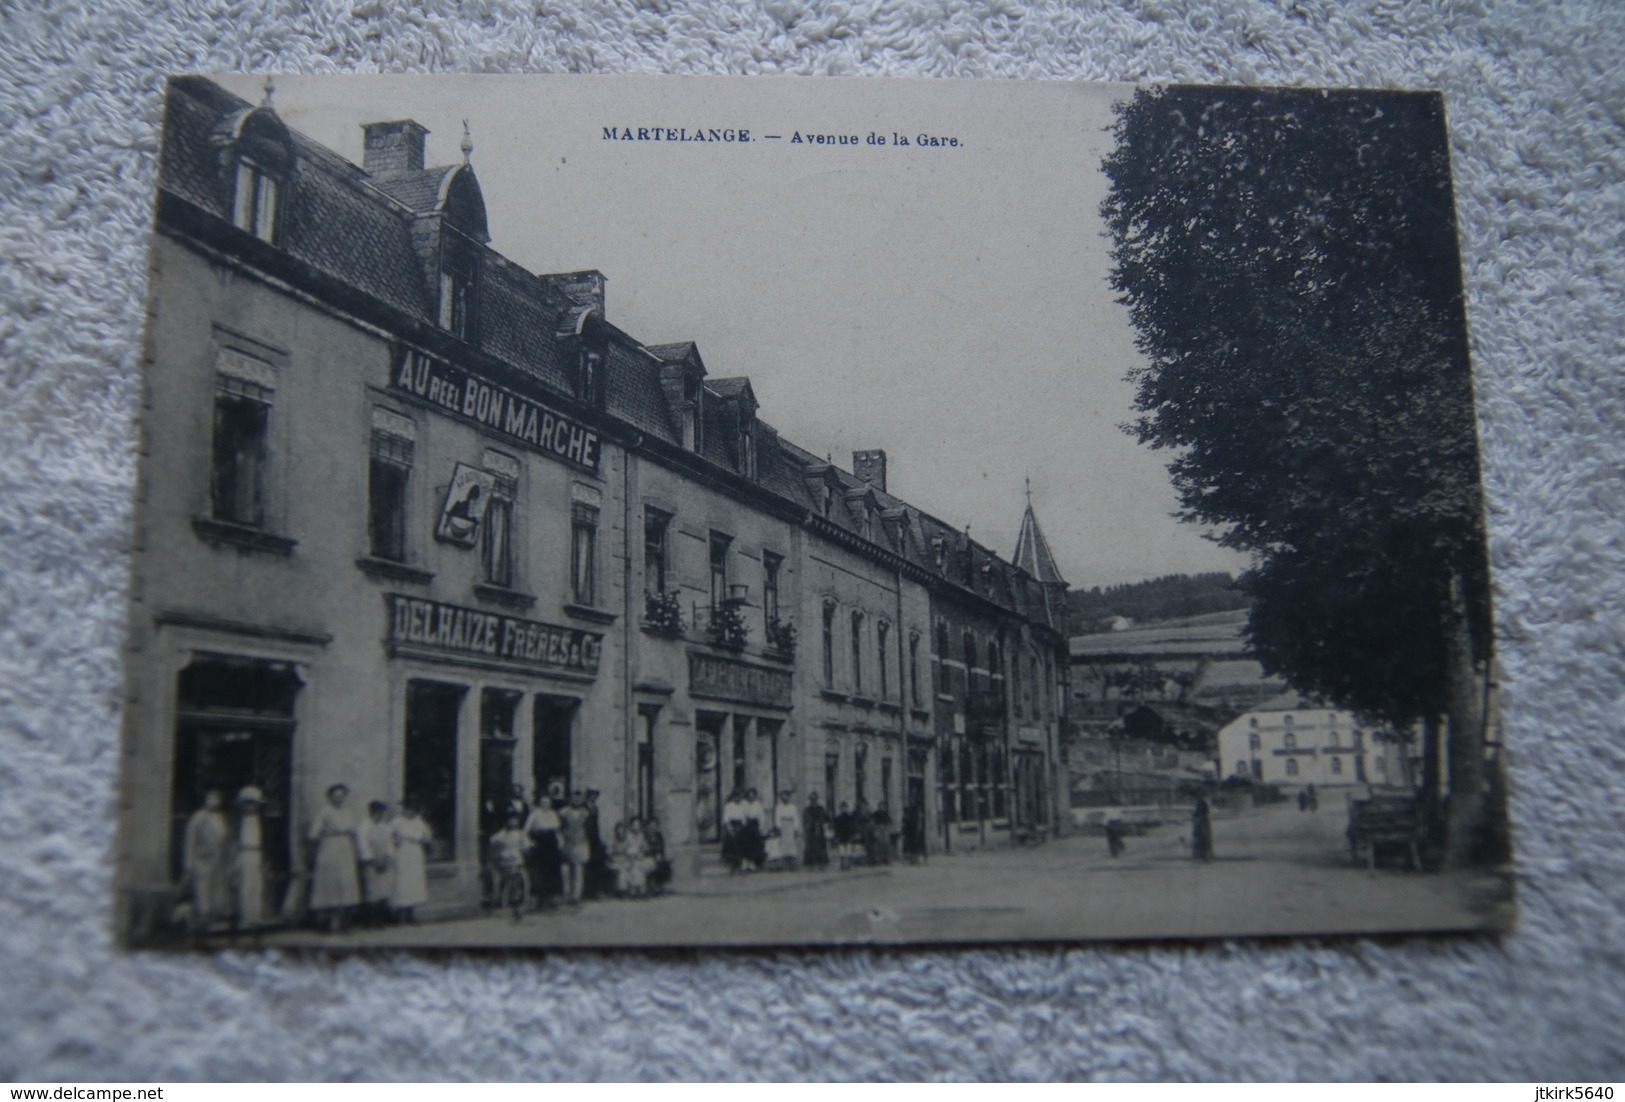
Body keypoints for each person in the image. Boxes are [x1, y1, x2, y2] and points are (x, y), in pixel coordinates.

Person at [308, 782, 364, 933]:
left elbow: (354, 831)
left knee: (345, 883)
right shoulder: (324, 812)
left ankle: (343, 923)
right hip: (330, 849)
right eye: (335, 796)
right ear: (329, 797)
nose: (338, 799)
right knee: (330, 884)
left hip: (345, 849)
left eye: (341, 796)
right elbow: (313, 834)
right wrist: (328, 833)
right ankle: (328, 923)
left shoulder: (348, 812)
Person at [182, 789, 231, 934]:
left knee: (217, 890)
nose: (214, 801)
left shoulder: (221, 817)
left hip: (218, 860)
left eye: (217, 798)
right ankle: (202, 921)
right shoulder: (198, 817)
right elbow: (190, 841)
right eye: (211, 797)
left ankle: (215, 921)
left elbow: (224, 839)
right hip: (202, 859)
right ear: (205, 799)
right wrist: (189, 864)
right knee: (203, 890)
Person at [230, 786, 270, 931]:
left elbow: (266, 842)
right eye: (247, 803)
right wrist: (234, 860)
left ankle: (256, 917)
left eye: (253, 803)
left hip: (257, 853)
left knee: (257, 886)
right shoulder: (238, 822)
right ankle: (245, 918)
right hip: (243, 854)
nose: (250, 807)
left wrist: (265, 860)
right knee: (245, 886)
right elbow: (233, 842)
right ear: (242, 805)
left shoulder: (262, 821)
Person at [390, 800, 432, 924]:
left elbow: (427, 837)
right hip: (402, 853)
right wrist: (395, 842)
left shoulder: (419, 822)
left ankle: (410, 914)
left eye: (412, 810)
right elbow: (390, 837)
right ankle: (400, 915)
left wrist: (424, 842)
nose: (409, 812)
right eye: (406, 809)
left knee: (414, 883)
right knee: (402, 882)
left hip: (415, 853)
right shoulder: (396, 822)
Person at [523, 789, 562, 909]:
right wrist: (529, 843)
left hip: (551, 845)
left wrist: (560, 844)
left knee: (552, 872)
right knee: (541, 873)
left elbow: (557, 830)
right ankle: (540, 900)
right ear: (539, 803)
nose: (545, 804)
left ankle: (551, 899)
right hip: (540, 845)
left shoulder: (553, 814)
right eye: (543, 802)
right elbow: (526, 830)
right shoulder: (535, 814)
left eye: (547, 802)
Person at [487, 812, 530, 920]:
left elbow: (526, 846)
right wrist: (500, 852)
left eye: (515, 820)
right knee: (507, 882)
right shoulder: (502, 834)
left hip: (517, 860)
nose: (513, 822)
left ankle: (518, 904)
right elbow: (493, 841)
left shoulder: (521, 833)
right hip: (506, 861)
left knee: (519, 882)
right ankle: (504, 902)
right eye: (511, 820)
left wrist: (527, 849)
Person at [361, 800, 395, 926]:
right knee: (371, 892)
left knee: (383, 890)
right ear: (370, 812)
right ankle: (370, 920)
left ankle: (382, 919)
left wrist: (386, 859)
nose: (379, 815)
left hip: (384, 861)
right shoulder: (364, 827)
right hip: (371, 863)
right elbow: (363, 846)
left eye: (381, 813)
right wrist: (372, 861)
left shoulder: (385, 827)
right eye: (376, 813)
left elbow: (389, 845)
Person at [557, 790, 591, 904]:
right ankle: (566, 893)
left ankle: (576, 895)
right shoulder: (563, 812)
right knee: (565, 869)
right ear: (569, 799)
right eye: (574, 798)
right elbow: (559, 828)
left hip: (580, 842)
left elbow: (588, 830)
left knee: (578, 869)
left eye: (579, 798)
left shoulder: (585, 813)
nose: (576, 800)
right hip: (566, 841)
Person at [583, 789, 611, 899]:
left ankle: (596, 891)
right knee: (588, 867)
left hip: (595, 841)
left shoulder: (595, 809)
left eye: (595, 796)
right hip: (586, 840)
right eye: (591, 796)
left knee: (597, 866)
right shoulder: (584, 808)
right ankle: (588, 892)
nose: (593, 798)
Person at [771, 790, 801, 871]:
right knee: (782, 845)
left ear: (789, 797)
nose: (785, 798)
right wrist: (778, 827)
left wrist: (796, 828)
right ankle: (782, 864)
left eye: (786, 796)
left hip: (790, 826)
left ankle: (792, 865)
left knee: (791, 845)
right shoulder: (778, 807)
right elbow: (777, 818)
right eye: (783, 796)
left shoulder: (793, 807)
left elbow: (795, 818)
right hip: (783, 826)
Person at [720, 787, 748, 873]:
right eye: (736, 796)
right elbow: (726, 820)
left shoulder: (742, 806)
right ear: (733, 797)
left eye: (740, 797)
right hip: (732, 827)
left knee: (741, 847)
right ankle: (732, 866)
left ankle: (740, 865)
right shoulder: (729, 806)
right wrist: (731, 830)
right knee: (732, 848)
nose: (738, 798)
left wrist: (742, 828)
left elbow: (743, 819)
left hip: (740, 827)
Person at [741, 787, 768, 871]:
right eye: (749, 795)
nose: (751, 797)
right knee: (746, 845)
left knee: (755, 845)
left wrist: (761, 827)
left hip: (755, 826)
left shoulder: (758, 804)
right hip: (747, 826)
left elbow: (761, 816)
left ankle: (753, 863)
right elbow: (742, 814)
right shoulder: (743, 803)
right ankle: (745, 863)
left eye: (753, 795)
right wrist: (743, 825)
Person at [643, 816, 672, 895]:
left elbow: (661, 847)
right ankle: (653, 887)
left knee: (665, 863)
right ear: (647, 826)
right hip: (647, 856)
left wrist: (661, 855)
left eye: (655, 825)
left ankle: (661, 886)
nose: (653, 828)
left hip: (657, 856)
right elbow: (645, 848)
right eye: (651, 825)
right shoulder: (644, 836)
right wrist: (654, 853)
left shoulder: (659, 835)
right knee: (656, 863)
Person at [803, 792, 831, 869]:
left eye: (815, 799)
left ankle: (821, 863)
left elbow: (826, 818)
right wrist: (809, 824)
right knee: (810, 847)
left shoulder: (820, 808)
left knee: (821, 847)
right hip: (811, 831)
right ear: (810, 800)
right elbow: (805, 819)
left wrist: (820, 822)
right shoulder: (807, 809)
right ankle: (810, 864)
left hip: (819, 830)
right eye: (812, 799)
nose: (813, 801)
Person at [833, 801, 857, 871]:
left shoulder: (850, 817)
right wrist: (836, 836)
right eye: (842, 808)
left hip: (848, 835)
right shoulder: (838, 818)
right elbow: (836, 828)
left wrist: (853, 834)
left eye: (844, 807)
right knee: (842, 851)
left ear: (846, 808)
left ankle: (849, 864)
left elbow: (853, 827)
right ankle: (842, 864)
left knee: (849, 850)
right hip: (841, 836)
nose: (843, 809)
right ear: (840, 809)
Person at [901, 799, 926, 864]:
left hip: (913, 831)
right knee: (911, 845)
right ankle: (912, 858)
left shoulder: (914, 815)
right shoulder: (909, 816)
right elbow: (904, 822)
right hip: (910, 831)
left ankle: (914, 858)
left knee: (914, 845)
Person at [1191, 797, 1214, 862]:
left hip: (1202, 832)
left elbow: (1202, 827)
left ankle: (1204, 856)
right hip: (1201, 832)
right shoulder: (1201, 816)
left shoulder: (1202, 817)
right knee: (1202, 843)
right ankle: (1203, 856)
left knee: (1203, 843)